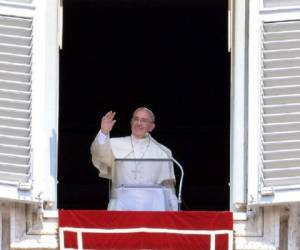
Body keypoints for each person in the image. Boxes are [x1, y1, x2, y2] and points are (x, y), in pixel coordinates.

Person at [90, 107, 178, 211]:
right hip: (121, 204)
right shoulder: (116, 144)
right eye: (136, 119)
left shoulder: (163, 152)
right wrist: (104, 132)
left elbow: (169, 188)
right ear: (131, 122)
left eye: (144, 120)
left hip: (153, 206)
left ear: (151, 127)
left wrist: (174, 211)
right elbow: (99, 154)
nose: (139, 123)